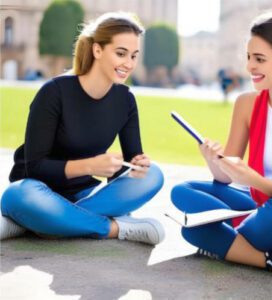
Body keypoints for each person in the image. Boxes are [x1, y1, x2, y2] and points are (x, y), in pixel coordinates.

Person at [0, 12, 165, 245]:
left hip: (85, 194)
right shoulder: (54, 92)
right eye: (120, 53)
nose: (128, 64)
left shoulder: (125, 99)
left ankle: (45, 223)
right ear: (97, 50)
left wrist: (136, 165)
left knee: (153, 175)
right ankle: (115, 228)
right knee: (17, 196)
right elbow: (35, 166)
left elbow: (128, 167)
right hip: (36, 190)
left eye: (134, 56)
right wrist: (90, 165)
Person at [171, 13, 272, 278]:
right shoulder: (247, 104)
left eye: (260, 59)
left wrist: (256, 180)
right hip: (257, 206)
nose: (250, 66)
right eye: (249, 57)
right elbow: (227, 175)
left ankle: (230, 244)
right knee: (182, 195)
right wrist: (213, 160)